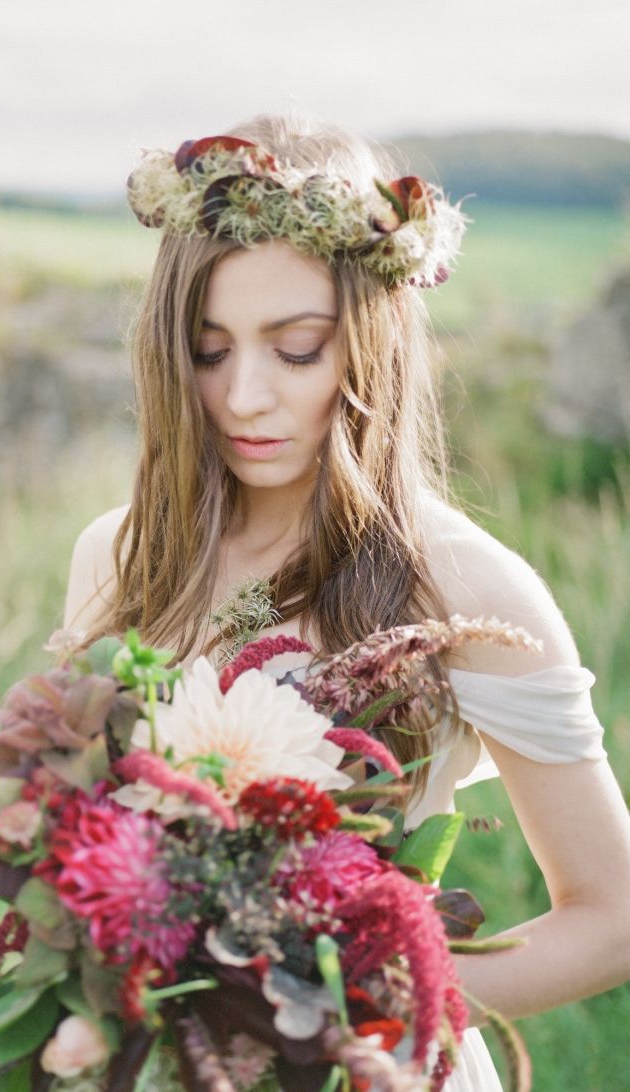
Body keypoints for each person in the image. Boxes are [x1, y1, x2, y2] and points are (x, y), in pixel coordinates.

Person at [60, 111, 630, 1089]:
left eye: (294, 349)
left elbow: (610, 914)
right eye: (206, 349)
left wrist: (364, 998)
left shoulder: (463, 585)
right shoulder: (116, 556)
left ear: (370, 344)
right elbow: (71, 839)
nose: (242, 396)